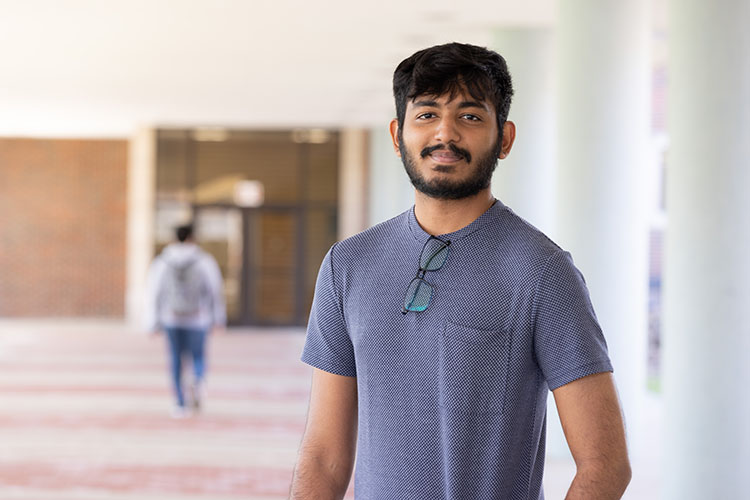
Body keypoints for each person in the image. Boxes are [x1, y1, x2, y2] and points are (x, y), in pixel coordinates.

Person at [290, 43, 631, 499]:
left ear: (504, 138)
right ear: (397, 136)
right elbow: (323, 457)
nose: (444, 134)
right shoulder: (348, 265)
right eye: (426, 114)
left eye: (470, 116)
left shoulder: (542, 272)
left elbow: (605, 464)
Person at [144, 224, 226, 418]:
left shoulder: (162, 261)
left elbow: (154, 291)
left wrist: (152, 321)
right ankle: (197, 380)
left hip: (171, 318)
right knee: (198, 355)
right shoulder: (204, 260)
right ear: (192, 237)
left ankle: (180, 403)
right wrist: (218, 318)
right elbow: (214, 290)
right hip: (198, 318)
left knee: (175, 359)